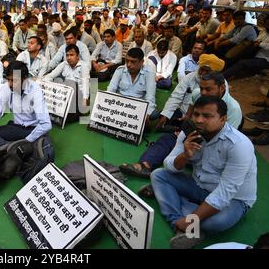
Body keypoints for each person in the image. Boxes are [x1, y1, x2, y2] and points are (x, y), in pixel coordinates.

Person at [151, 96, 257, 249]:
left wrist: (192, 218)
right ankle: (182, 224)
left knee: (215, 222)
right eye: (196, 114)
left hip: (234, 199)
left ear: (223, 119)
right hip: (199, 186)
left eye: (207, 116)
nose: (199, 120)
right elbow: (169, 164)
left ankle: (173, 202)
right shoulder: (189, 133)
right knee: (158, 175)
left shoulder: (239, 145)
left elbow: (224, 194)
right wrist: (185, 156)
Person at [0, 61, 52, 148]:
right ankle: (10, 148)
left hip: (34, 129)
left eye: (14, 80)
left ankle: (10, 148)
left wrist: (27, 141)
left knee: (45, 146)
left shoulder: (35, 91)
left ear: (24, 79)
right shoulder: (6, 87)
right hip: (17, 127)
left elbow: (46, 124)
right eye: (8, 79)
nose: (10, 84)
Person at [107, 47, 157, 121]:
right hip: (120, 104)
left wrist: (147, 115)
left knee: (153, 114)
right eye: (127, 61)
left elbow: (150, 98)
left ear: (141, 62)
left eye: (133, 62)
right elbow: (110, 91)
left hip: (138, 107)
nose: (129, 65)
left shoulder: (149, 74)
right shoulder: (120, 70)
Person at [44, 44, 90, 118]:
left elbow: (85, 83)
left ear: (78, 56)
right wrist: (47, 87)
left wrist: (85, 99)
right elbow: (50, 76)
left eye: (72, 55)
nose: (69, 58)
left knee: (70, 83)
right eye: (67, 55)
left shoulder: (84, 66)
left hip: (79, 94)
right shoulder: (64, 64)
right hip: (65, 93)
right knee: (57, 81)